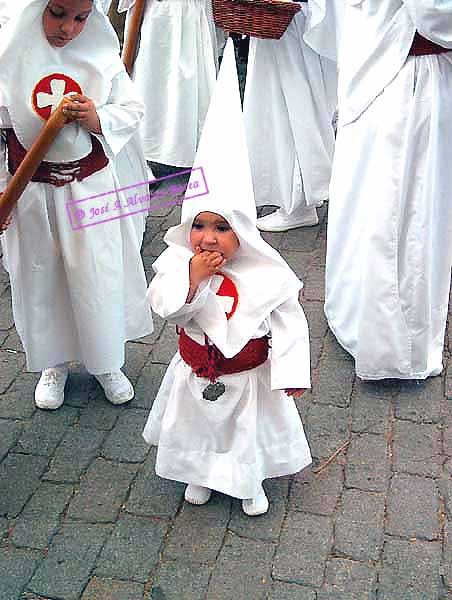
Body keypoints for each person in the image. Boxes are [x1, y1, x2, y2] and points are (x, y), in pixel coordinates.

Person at [142, 40, 312, 516]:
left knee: (244, 431)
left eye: (222, 228)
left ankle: (246, 481)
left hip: (248, 376)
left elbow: (289, 322)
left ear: (243, 233)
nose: (208, 237)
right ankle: (199, 474)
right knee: (198, 427)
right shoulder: (177, 261)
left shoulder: (266, 270)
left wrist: (293, 371)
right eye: (199, 224)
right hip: (197, 370)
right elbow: (167, 307)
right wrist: (192, 279)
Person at [0, 0, 153, 409]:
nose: (68, 28)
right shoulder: (9, 55)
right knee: (43, 276)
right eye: (58, 13)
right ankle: (54, 363)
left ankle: (105, 360)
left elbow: (131, 109)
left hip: (89, 189)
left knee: (95, 275)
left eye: (81, 18)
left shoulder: (101, 58)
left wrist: (97, 116)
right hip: (33, 191)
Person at [324, 0, 452, 380]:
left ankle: (358, 312)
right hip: (406, 77)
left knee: (372, 202)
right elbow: (432, 11)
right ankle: (393, 343)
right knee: (406, 210)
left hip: (376, 66)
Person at [243, 0, 339, 232]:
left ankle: (300, 202)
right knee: (278, 104)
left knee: (295, 105)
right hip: (282, 19)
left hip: (292, 19)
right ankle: (291, 194)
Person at [117, 0, 218, 170]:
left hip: (185, 13)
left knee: (185, 85)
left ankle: (181, 145)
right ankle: (145, 146)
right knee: (154, 81)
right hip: (163, 15)